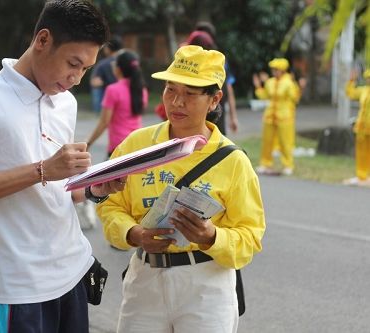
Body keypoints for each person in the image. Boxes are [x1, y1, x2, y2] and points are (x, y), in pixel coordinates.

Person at [0, 1, 125, 332]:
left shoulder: (65, 102)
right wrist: (41, 170)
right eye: (73, 63)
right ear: (42, 40)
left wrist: (95, 187)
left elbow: (60, 191)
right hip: (18, 287)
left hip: (73, 272)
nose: (76, 78)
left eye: (85, 69)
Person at [96, 45, 265, 333]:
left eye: (190, 94)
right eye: (171, 90)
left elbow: (250, 236)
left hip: (206, 284)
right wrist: (133, 233)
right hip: (145, 279)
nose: (177, 102)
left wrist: (213, 237)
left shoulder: (233, 161)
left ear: (215, 100)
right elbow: (110, 205)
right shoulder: (137, 145)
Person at [86, 50, 148, 157]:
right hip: (137, 144)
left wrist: (88, 143)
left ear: (118, 69)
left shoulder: (113, 90)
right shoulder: (142, 90)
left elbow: (104, 122)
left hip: (118, 147)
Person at [253, 58, 306, 176]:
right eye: (273, 69)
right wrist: (258, 86)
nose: (274, 71)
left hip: (285, 116)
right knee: (267, 140)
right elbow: (264, 96)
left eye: (276, 69)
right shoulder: (270, 82)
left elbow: (295, 98)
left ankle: (288, 165)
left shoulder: (289, 83)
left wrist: (300, 88)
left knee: (285, 142)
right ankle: (265, 163)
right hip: (270, 115)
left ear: (282, 70)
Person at [343, 68, 370, 186]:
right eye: (368, 78)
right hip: (362, 127)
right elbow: (350, 93)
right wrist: (351, 80)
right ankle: (361, 176)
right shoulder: (364, 90)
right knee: (361, 152)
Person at [89, 35, 123, 113]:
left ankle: (98, 110)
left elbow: (95, 82)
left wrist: (105, 83)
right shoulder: (127, 61)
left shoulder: (103, 64)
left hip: (108, 100)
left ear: (108, 48)